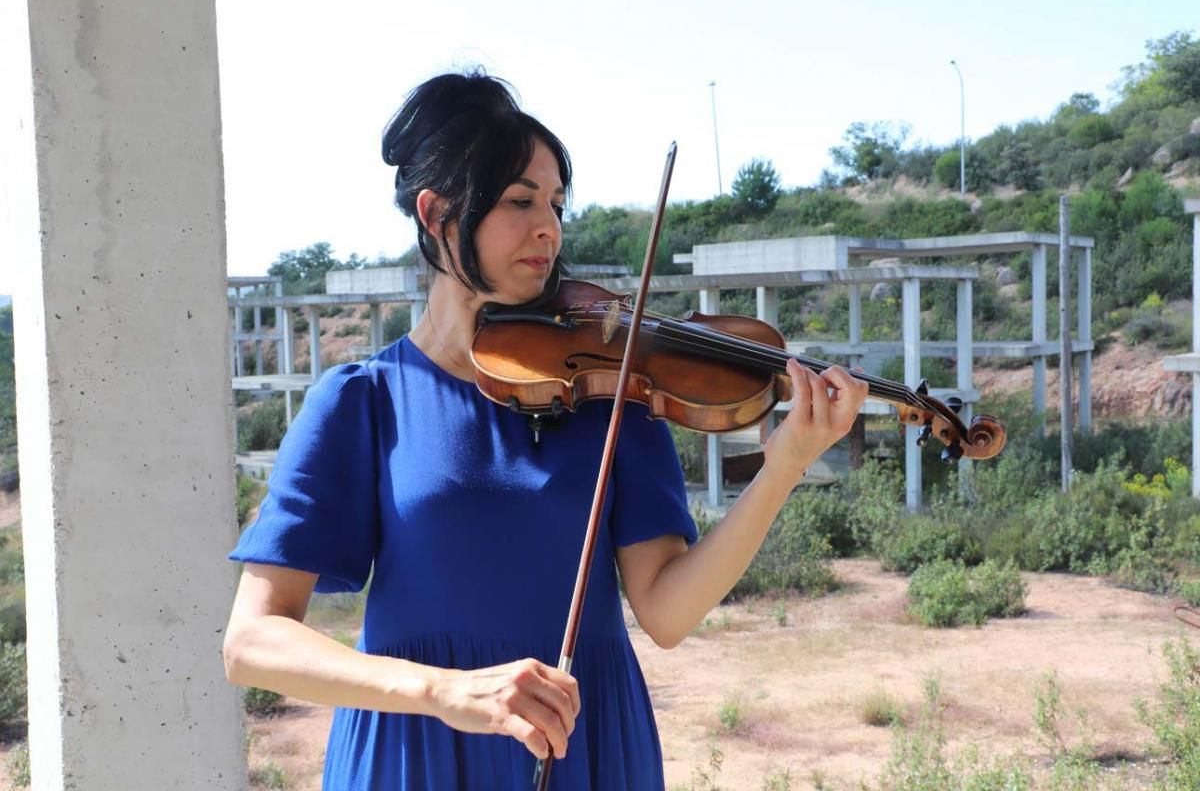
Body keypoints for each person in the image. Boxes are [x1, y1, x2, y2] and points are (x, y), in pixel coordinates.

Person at [222, 69, 869, 790]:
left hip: (585, 749)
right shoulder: (363, 401)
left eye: (556, 204)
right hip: (416, 757)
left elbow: (667, 611)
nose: (548, 229)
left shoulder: (609, 387)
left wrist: (783, 467)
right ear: (437, 214)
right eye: (519, 201)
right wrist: (445, 691)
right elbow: (251, 641)